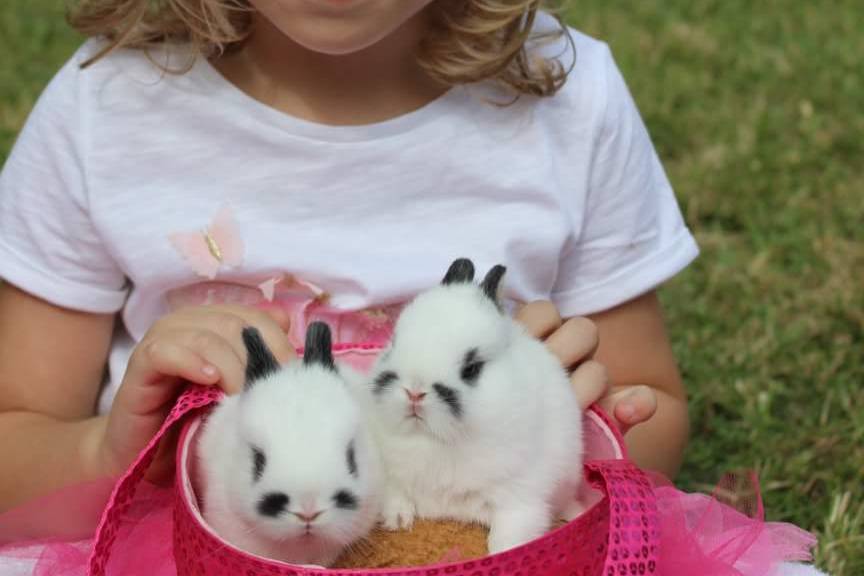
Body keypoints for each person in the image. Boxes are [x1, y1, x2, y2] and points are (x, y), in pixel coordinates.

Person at [0, 1, 821, 574]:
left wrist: (572, 427)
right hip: (192, 548)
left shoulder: (568, 103)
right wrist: (107, 455)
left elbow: (654, 412)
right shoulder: (106, 110)